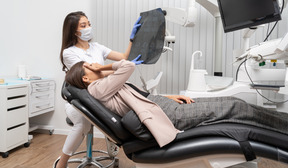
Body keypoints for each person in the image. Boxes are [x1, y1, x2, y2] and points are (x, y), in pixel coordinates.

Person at [65, 59, 288, 147]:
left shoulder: (105, 87)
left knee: (234, 103)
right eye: (90, 67)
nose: (95, 65)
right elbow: (128, 66)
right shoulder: (96, 88)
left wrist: (169, 96)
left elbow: (137, 94)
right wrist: (102, 68)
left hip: (162, 105)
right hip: (167, 114)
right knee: (237, 107)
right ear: (86, 77)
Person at [56, 11, 141, 168]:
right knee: (83, 123)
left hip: (101, 96)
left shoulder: (97, 47)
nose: (88, 27)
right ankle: (62, 163)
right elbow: (92, 74)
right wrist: (119, 69)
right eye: (83, 25)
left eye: (89, 24)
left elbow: (123, 56)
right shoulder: (69, 53)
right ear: (74, 30)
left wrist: (132, 39)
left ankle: (113, 144)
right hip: (80, 100)